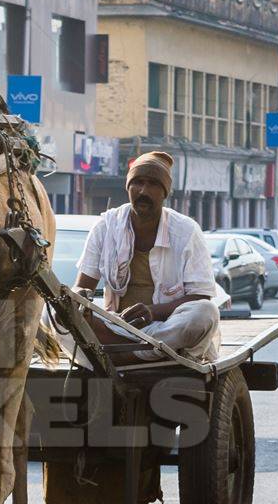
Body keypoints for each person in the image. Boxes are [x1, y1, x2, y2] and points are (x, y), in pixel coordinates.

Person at [64, 151, 221, 365]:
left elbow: (200, 297)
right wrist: (76, 300)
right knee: (53, 311)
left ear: (165, 192)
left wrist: (152, 312)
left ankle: (133, 352)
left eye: (153, 184)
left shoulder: (186, 230)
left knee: (206, 312)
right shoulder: (106, 226)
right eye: (137, 182)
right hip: (114, 325)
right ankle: (143, 349)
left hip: (165, 326)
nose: (143, 191)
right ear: (128, 187)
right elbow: (83, 286)